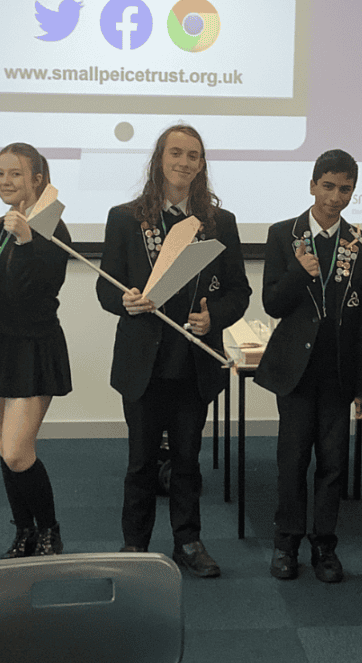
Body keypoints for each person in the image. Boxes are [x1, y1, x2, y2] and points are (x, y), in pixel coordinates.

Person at [97, 124, 251, 577]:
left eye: (193, 156)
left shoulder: (219, 223)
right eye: (175, 153)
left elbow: (239, 292)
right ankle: (134, 546)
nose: (184, 162)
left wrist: (214, 319)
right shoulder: (124, 218)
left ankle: (188, 541)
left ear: (202, 165)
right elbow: (106, 290)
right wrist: (124, 300)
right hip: (143, 362)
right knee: (141, 462)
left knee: (187, 459)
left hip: (193, 362)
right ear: (159, 159)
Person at [255, 150, 362, 583]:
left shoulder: (361, 243)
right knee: (292, 460)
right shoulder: (282, 234)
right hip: (296, 371)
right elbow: (272, 302)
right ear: (312, 185)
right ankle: (286, 541)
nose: (335, 197)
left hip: (339, 372)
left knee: (333, 463)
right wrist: (300, 274)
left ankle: (325, 545)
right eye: (328, 186)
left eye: (345, 189)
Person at [0, 143, 72, 558]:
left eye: (14, 174)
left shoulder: (53, 227)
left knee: (17, 450)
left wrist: (28, 241)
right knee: (4, 447)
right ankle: (24, 530)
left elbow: (42, 290)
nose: (5, 182)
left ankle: (49, 529)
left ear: (37, 180)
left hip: (31, 346)